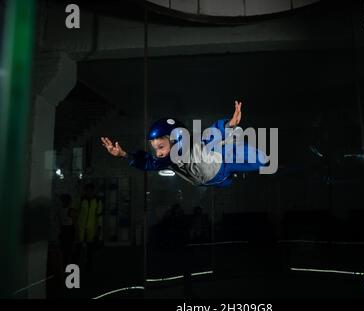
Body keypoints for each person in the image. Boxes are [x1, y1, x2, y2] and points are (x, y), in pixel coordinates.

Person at [101, 101, 269, 187]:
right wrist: (124, 154)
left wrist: (230, 124)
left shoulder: (191, 143)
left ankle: (251, 153)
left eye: (161, 147)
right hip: (213, 180)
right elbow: (148, 162)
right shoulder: (167, 159)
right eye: (156, 149)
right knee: (227, 177)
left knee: (244, 155)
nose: (159, 153)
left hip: (221, 165)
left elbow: (212, 134)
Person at [76, 183, 103, 271]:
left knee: (90, 248)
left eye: (91, 190)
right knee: (79, 247)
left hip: (91, 228)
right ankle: (76, 264)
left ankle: (89, 265)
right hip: (81, 227)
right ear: (85, 191)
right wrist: (76, 226)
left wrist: (99, 228)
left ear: (93, 191)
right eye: (87, 190)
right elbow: (77, 213)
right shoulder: (81, 200)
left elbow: (99, 215)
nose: (89, 192)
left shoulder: (97, 201)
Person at [57, 193, 76, 267]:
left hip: (65, 229)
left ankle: (66, 264)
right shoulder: (69, 210)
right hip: (67, 230)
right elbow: (74, 223)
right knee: (67, 249)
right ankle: (67, 264)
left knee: (66, 249)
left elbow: (73, 223)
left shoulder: (63, 210)